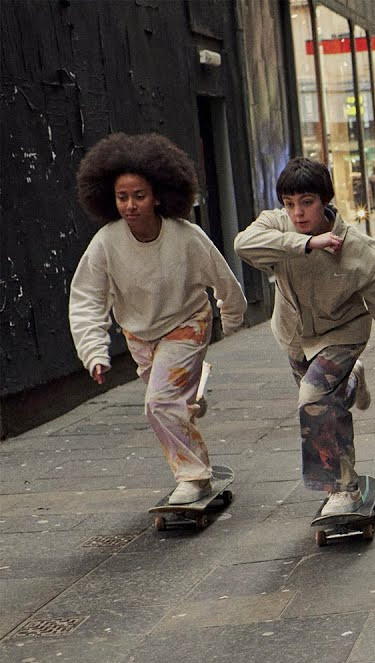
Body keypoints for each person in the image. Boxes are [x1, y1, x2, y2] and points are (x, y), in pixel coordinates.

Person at [234, 158, 375, 516]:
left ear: (325, 201)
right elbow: (244, 244)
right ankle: (351, 381)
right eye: (289, 203)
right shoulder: (276, 225)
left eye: (306, 202)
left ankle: (342, 490)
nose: (297, 213)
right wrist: (305, 244)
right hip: (294, 335)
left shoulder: (361, 251)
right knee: (325, 405)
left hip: (342, 334)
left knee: (313, 399)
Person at [69, 132, 247, 504]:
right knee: (168, 402)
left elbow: (224, 282)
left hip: (187, 323)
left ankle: (195, 477)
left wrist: (231, 321)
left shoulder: (187, 237)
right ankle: (191, 398)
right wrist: (94, 351)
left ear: (159, 195)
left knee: (160, 403)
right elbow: (87, 297)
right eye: (122, 197)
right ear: (109, 198)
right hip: (139, 334)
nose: (130, 205)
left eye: (139, 196)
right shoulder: (106, 242)